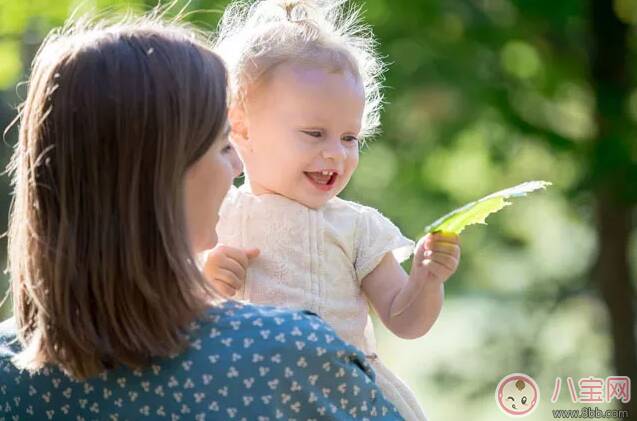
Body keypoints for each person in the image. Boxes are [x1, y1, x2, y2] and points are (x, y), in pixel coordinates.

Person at [0, 12, 404, 420]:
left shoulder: (8, 373)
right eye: (223, 144)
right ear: (161, 172)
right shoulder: (291, 357)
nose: (236, 166)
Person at [204, 1, 462, 420]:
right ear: (243, 126)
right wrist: (207, 284)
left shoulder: (358, 227)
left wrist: (427, 279)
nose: (335, 153)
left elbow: (405, 320)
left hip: (344, 399)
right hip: (251, 399)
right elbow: (175, 320)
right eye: (314, 133)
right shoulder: (216, 217)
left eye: (349, 137)